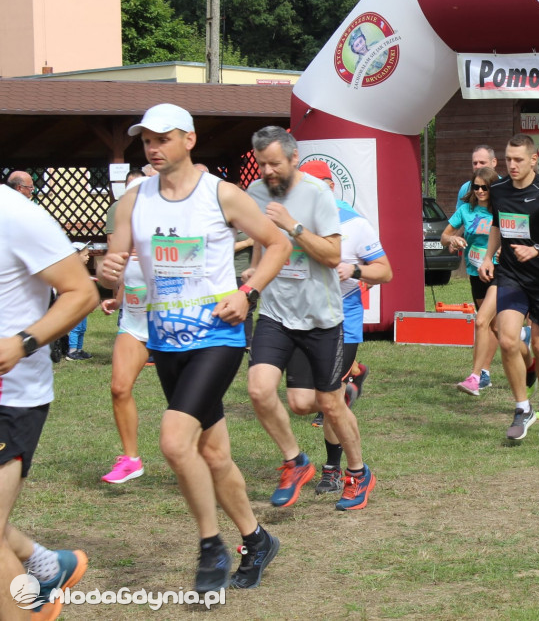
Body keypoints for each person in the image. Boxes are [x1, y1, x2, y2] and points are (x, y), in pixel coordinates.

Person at [100, 103, 291, 592]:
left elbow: (279, 244)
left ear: (189, 139)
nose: (153, 148)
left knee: (172, 441)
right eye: (146, 140)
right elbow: (116, 257)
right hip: (165, 339)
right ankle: (256, 537)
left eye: (162, 138)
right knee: (214, 453)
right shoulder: (133, 200)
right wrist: (108, 273)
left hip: (216, 336)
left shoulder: (220, 194)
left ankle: (211, 546)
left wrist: (246, 293)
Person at [244, 127, 377, 511]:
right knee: (259, 389)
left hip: (321, 319)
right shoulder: (256, 193)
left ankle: (357, 472)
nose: (267, 171)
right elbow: (259, 237)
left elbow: (333, 254)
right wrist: (254, 271)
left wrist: (292, 226)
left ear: (293, 158)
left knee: (327, 404)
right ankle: (295, 461)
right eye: (262, 164)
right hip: (275, 313)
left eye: (274, 164)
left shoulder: (317, 195)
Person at [1, 182, 97, 620]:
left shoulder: (17, 215)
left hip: (10, 395)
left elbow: (82, 292)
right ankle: (46, 564)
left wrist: (22, 343)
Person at [287, 159, 392, 497]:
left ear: (330, 187)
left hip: (341, 322)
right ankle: (347, 389)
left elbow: (385, 272)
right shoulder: (294, 222)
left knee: (328, 398)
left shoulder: (354, 223)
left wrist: (355, 271)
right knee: (301, 402)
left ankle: (334, 468)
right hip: (301, 320)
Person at [479, 134, 539, 440]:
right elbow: (498, 224)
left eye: (518, 159)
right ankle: (523, 408)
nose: (512, 165)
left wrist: (537, 250)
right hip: (511, 275)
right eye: (508, 159)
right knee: (507, 340)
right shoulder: (499, 189)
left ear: (534, 160)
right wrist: (487, 255)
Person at [98, 175, 152, 484]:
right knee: (119, 387)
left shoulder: (164, 233)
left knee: (189, 403)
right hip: (133, 324)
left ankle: (209, 456)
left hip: (172, 326)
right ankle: (131, 459)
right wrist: (117, 300)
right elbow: (125, 278)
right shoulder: (123, 238)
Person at [443, 166, 501, 395]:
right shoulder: (466, 210)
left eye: (484, 187)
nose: (479, 191)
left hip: (499, 271)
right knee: (493, 325)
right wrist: (452, 240)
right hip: (475, 271)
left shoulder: (500, 210)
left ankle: (479, 374)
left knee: (482, 322)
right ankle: (524, 350)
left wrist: (500, 251)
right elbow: (444, 235)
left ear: (492, 188)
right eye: (475, 187)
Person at [64, 243, 95, 361]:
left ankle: (79, 350)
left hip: (83, 304)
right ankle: (71, 351)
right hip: (76, 304)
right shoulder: (71, 271)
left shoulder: (81, 270)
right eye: (85, 255)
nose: (88, 257)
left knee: (82, 328)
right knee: (76, 328)